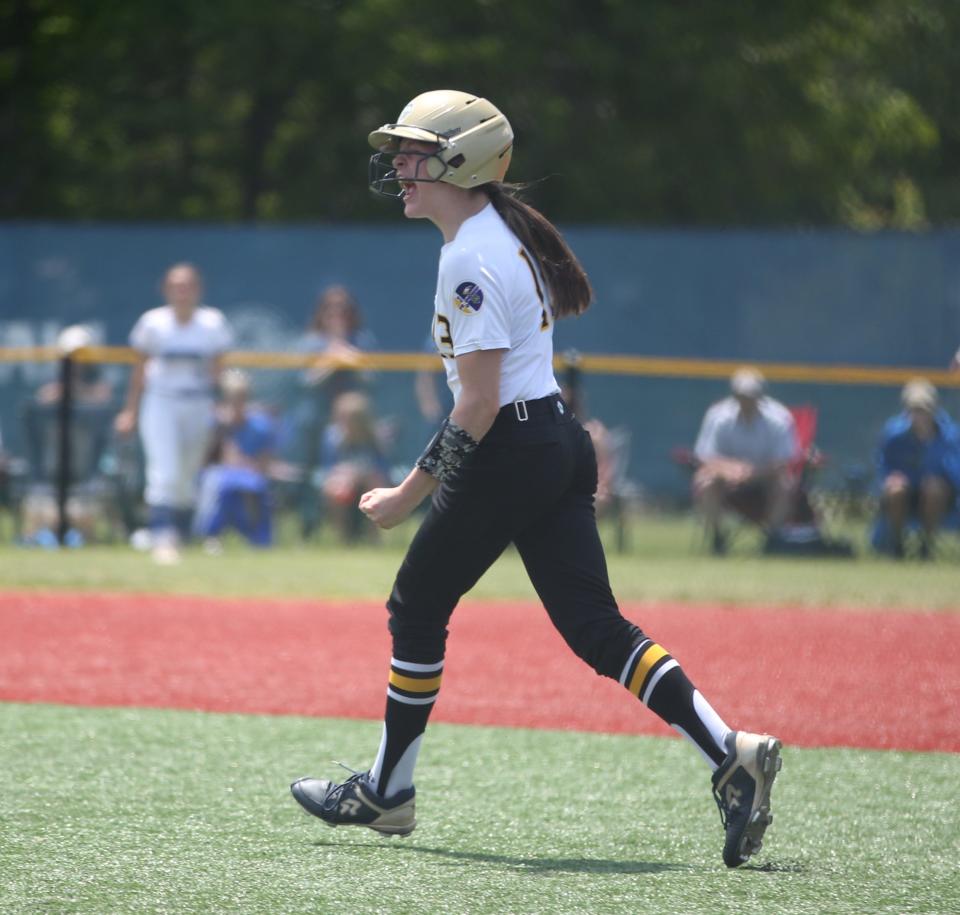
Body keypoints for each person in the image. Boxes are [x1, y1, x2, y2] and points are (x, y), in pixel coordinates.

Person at [290, 90, 781, 869]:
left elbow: (477, 405)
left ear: (463, 161)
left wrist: (404, 495)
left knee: (415, 604)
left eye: (415, 152)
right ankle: (732, 749)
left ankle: (388, 790)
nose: (399, 167)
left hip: (511, 450)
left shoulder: (469, 254)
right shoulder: (488, 235)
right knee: (597, 628)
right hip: (551, 439)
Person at [114, 263, 233, 565]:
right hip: (161, 401)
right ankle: (162, 537)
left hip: (198, 402)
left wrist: (222, 404)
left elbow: (218, 369)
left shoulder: (211, 323)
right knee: (163, 470)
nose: (182, 292)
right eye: (176, 286)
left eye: (188, 285)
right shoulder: (153, 323)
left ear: (198, 289)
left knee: (186, 473)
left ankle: (180, 534)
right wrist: (130, 410)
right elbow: (139, 371)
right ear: (166, 290)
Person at [291, 285, 376, 538]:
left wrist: (353, 359)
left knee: (364, 474)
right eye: (330, 309)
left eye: (343, 309)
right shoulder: (310, 342)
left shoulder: (362, 340)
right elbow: (303, 382)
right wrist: (330, 360)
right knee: (309, 475)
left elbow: (373, 378)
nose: (337, 314)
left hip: (354, 425)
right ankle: (308, 530)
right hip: (316, 420)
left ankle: (361, 532)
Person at [692, 367, 797, 555]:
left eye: (752, 395)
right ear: (734, 395)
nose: (747, 400)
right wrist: (731, 470)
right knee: (705, 481)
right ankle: (718, 538)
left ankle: (772, 540)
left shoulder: (779, 418)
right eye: (742, 396)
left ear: (760, 395)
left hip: (765, 478)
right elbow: (705, 457)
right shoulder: (718, 416)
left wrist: (753, 472)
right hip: (728, 479)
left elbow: (783, 462)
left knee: (785, 484)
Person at [874, 378, 960, 558]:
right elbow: (883, 467)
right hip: (906, 494)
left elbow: (955, 472)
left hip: (940, 497)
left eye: (924, 408)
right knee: (896, 489)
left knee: (933, 489)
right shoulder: (894, 434)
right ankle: (896, 545)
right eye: (914, 409)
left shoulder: (949, 435)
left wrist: (939, 477)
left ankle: (926, 545)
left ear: (934, 408)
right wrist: (892, 478)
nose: (920, 414)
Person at [193, 369, 277, 552]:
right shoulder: (215, 423)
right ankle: (211, 536)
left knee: (256, 487)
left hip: (249, 473)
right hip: (218, 473)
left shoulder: (260, 425)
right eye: (232, 398)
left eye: (241, 398)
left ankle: (261, 539)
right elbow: (206, 459)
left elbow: (264, 461)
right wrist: (222, 431)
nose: (237, 403)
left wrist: (248, 465)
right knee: (220, 485)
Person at [315, 390, 392, 543]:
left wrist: (360, 473)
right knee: (336, 489)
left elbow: (383, 467)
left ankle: (373, 537)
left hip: (369, 479)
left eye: (352, 419)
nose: (346, 423)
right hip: (341, 479)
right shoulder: (333, 438)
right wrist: (347, 474)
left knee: (374, 485)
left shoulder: (374, 438)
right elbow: (328, 467)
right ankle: (343, 537)